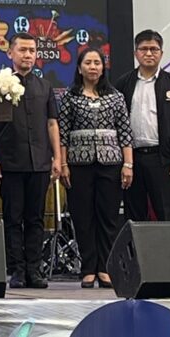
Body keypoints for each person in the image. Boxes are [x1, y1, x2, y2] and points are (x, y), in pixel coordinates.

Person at [0, 33, 62, 289]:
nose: (28, 55)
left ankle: (34, 270)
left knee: (36, 218)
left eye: (32, 50)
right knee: (13, 218)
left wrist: (58, 157)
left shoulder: (45, 86)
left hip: (39, 161)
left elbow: (52, 123)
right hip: (10, 162)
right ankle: (16, 270)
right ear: (10, 53)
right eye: (22, 50)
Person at [59, 47, 133, 289]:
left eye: (97, 63)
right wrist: (63, 164)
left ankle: (106, 267)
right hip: (78, 165)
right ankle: (88, 268)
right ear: (79, 68)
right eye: (88, 63)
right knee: (83, 217)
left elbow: (125, 132)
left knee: (108, 217)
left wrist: (128, 164)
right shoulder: (69, 97)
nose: (93, 67)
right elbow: (62, 134)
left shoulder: (116, 97)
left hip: (110, 163)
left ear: (103, 68)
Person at [114, 30, 170, 222]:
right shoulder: (124, 83)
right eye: (143, 49)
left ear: (161, 53)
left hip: (163, 159)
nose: (149, 53)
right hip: (132, 160)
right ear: (136, 53)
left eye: (154, 49)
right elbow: (115, 121)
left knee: (168, 215)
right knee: (134, 218)